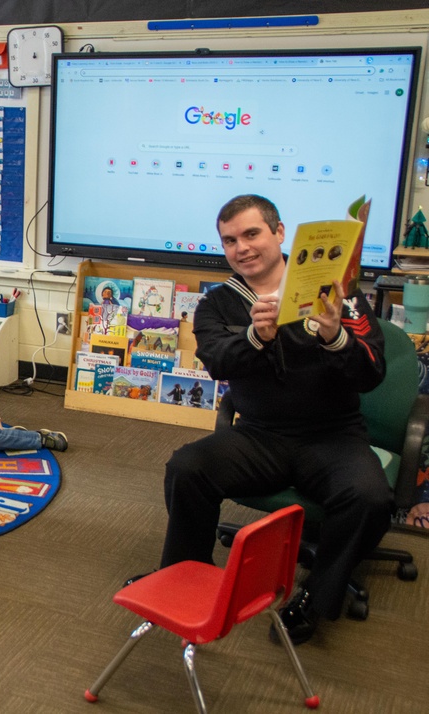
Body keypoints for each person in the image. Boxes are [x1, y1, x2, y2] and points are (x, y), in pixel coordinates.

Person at [156, 194, 389, 645]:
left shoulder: (338, 292)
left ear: (280, 233)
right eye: (229, 240)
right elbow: (219, 360)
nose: (241, 247)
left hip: (333, 436)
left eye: (251, 234)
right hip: (260, 436)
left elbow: (372, 371)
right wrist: (257, 336)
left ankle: (317, 598)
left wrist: (335, 335)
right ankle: (184, 577)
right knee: (186, 468)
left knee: (371, 497)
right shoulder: (219, 304)